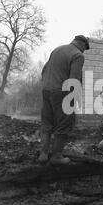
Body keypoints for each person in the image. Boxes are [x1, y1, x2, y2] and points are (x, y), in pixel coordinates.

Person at [37, 35, 89, 164]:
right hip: (61, 93)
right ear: (82, 45)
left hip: (46, 90)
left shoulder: (57, 49)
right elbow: (74, 80)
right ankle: (56, 156)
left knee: (47, 123)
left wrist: (47, 85)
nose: (84, 51)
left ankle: (43, 154)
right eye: (85, 48)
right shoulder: (78, 55)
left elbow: (44, 70)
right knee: (65, 122)